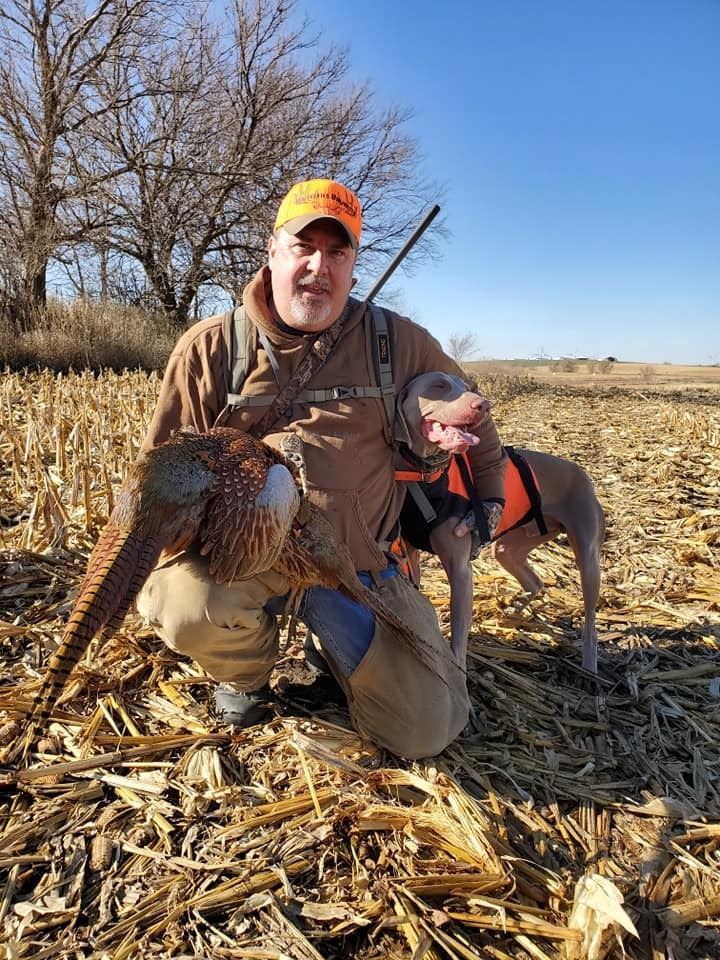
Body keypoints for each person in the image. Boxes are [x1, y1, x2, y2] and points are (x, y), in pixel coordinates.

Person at [135, 178, 507, 759]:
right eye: (303, 247)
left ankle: (335, 647)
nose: (319, 266)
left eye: (337, 252)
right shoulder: (212, 349)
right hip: (245, 562)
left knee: (426, 731)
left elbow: (472, 409)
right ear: (272, 251)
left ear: (353, 266)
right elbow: (155, 477)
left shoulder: (396, 342)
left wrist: (491, 502)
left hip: (359, 567)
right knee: (181, 605)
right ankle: (246, 676)